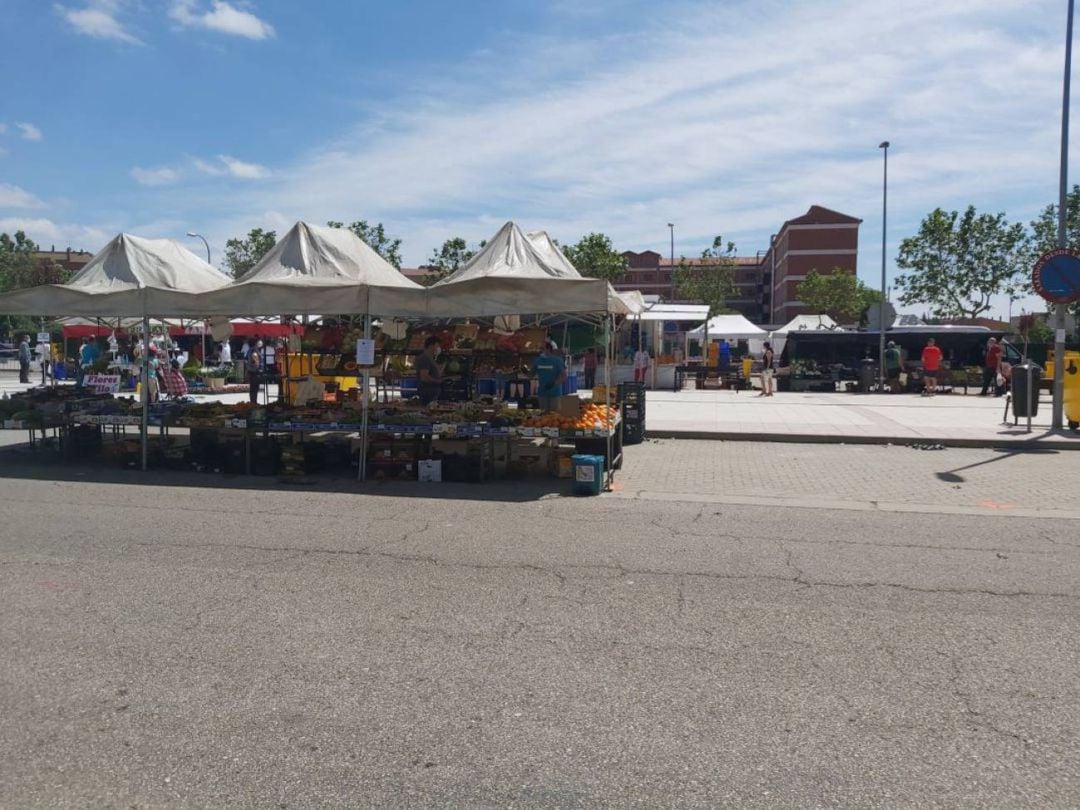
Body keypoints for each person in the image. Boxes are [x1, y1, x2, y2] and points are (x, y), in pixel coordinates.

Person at [533, 339, 567, 412]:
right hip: (542, 393)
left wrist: (554, 383)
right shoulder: (537, 360)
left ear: (548, 349)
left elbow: (564, 376)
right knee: (544, 416)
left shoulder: (558, 360)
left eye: (542, 349)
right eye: (540, 349)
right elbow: (530, 375)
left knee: (554, 416)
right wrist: (523, 370)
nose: (540, 351)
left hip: (554, 393)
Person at [415, 335, 443, 405]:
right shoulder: (425, 358)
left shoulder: (430, 358)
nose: (438, 348)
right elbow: (424, 377)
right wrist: (437, 381)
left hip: (432, 390)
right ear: (431, 346)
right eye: (437, 346)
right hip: (428, 391)